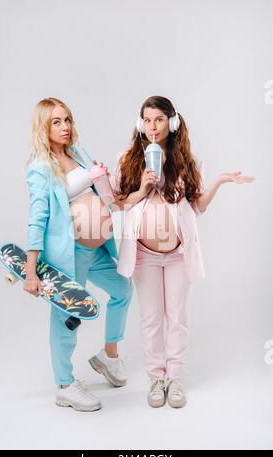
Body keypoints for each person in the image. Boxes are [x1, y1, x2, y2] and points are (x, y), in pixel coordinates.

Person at [111, 95, 255, 408]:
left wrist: (219, 181)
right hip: (145, 256)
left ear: (172, 123)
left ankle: (174, 377)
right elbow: (119, 203)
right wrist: (142, 189)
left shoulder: (187, 161)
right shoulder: (127, 160)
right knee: (151, 319)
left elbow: (197, 207)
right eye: (147, 120)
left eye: (159, 120)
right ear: (140, 123)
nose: (152, 127)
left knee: (177, 317)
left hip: (177, 254)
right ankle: (155, 379)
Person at [24, 98, 133, 412]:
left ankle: (108, 356)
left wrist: (107, 181)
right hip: (69, 255)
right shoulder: (40, 168)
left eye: (67, 119)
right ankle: (65, 385)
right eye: (56, 122)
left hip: (97, 247)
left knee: (123, 289)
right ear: (43, 127)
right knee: (67, 317)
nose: (65, 127)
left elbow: (104, 194)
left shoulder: (78, 152)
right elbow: (37, 218)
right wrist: (31, 273)